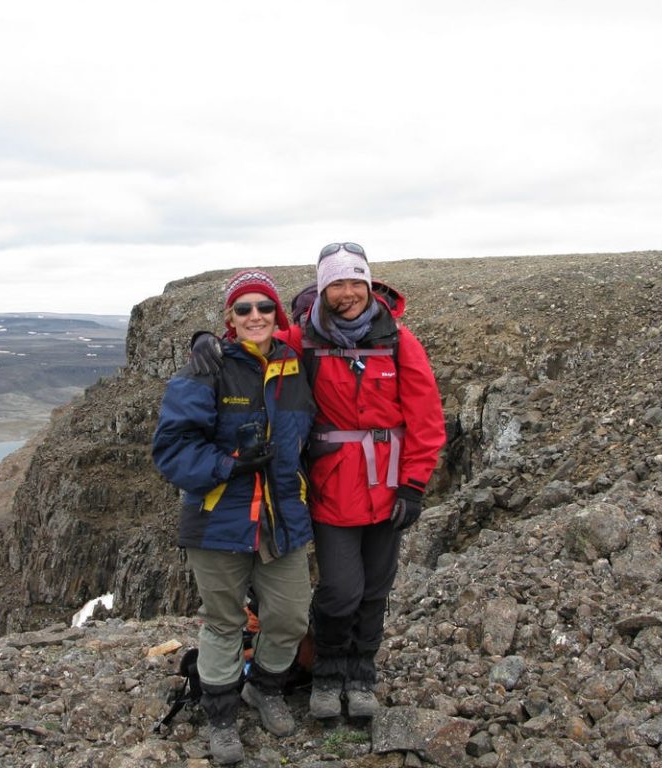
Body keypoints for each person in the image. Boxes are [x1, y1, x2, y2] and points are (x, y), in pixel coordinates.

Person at [191, 243, 446, 720]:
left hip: (388, 486)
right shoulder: (304, 338)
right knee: (340, 590)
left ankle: (361, 674)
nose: (347, 293)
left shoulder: (397, 340)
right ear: (322, 289)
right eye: (336, 284)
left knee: (375, 590)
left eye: (356, 282)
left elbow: (427, 417)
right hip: (332, 489)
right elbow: (254, 335)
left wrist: (413, 485)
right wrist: (207, 339)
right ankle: (327, 673)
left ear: (370, 286)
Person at [152, 269, 316, 765]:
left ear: (277, 315)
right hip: (219, 519)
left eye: (264, 307)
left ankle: (263, 689)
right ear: (230, 318)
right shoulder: (206, 369)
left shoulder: (294, 363)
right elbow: (171, 450)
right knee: (224, 623)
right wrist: (229, 465)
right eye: (243, 309)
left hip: (283, 518)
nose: (255, 317)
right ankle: (220, 716)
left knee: (289, 616)